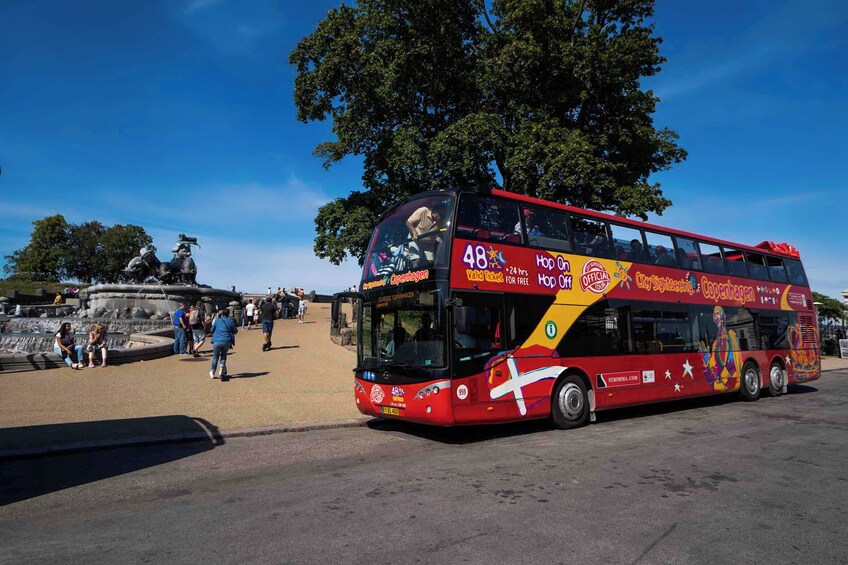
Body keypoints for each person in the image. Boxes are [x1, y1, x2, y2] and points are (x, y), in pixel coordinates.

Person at [209, 308, 238, 381]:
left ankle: (212, 371)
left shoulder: (217, 320)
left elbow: (211, 330)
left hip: (217, 340)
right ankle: (221, 368)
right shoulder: (230, 321)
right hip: (226, 340)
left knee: (215, 357)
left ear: (221, 314)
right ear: (229, 314)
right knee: (223, 356)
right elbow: (235, 331)